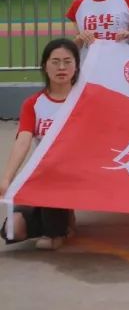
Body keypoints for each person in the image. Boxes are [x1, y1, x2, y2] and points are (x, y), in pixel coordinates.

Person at [1, 39, 80, 250]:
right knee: (14, 229)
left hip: (76, 175)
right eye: (55, 62)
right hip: (46, 175)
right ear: (45, 66)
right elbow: (23, 141)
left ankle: (58, 227)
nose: (61, 67)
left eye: (67, 61)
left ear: (76, 66)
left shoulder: (86, 100)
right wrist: (7, 178)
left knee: (50, 242)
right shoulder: (33, 103)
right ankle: (60, 221)